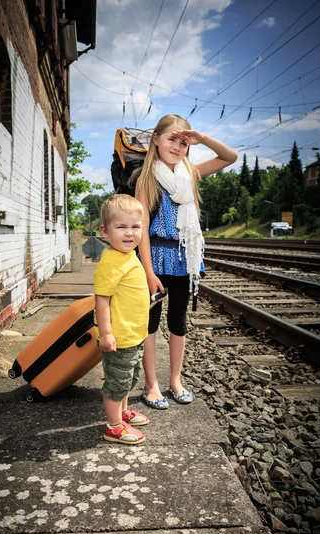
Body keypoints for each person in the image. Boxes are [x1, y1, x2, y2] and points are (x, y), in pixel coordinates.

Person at [136, 114, 237, 409]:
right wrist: (148, 271)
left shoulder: (189, 173)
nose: (177, 147)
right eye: (171, 139)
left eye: (183, 142)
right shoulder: (147, 178)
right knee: (150, 324)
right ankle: (151, 384)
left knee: (178, 321)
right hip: (154, 256)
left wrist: (201, 138)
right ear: (156, 140)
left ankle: (175, 381)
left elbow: (229, 157)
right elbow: (142, 228)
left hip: (183, 258)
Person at [94, 194, 151, 444]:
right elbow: (102, 300)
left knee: (129, 378)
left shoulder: (128, 256)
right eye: (121, 227)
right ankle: (114, 427)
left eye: (135, 227)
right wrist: (106, 333)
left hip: (134, 335)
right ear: (105, 231)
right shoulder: (110, 262)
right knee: (116, 384)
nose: (129, 234)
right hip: (119, 337)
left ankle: (123, 413)